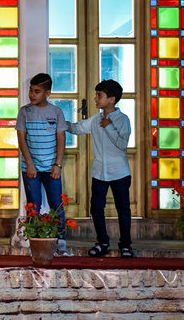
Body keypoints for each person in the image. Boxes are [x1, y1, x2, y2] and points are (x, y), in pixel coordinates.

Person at [66, 80, 133, 258]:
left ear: (111, 99)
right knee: (96, 208)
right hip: (99, 173)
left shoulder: (122, 119)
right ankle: (102, 242)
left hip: (120, 172)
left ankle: (126, 245)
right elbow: (77, 128)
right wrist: (60, 121)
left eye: (99, 96)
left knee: (123, 209)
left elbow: (122, 144)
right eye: (96, 95)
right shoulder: (96, 119)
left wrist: (109, 127)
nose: (95, 99)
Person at [16, 73, 70, 256]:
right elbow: (21, 139)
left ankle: (60, 242)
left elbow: (61, 139)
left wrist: (58, 165)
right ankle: (36, 243)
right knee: (34, 205)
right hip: (30, 168)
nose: (32, 95)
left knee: (57, 204)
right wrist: (30, 164)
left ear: (47, 93)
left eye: (37, 91)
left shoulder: (56, 112)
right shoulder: (24, 112)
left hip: (51, 167)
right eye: (31, 90)